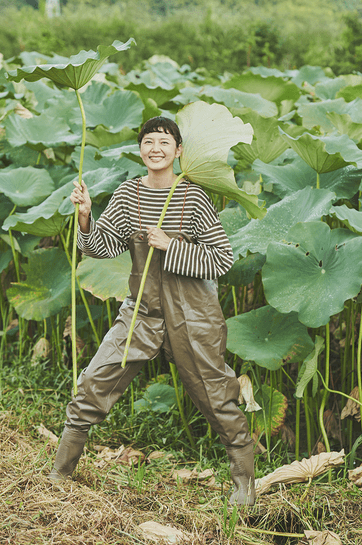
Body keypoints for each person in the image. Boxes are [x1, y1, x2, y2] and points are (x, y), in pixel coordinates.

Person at [48, 116, 255, 506]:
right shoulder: (128, 195)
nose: (155, 148)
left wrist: (170, 246)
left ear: (178, 151)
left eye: (163, 141)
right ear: (140, 150)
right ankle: (58, 476)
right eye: (148, 141)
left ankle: (245, 485)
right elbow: (101, 247)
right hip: (141, 309)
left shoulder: (193, 198)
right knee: (95, 380)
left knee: (215, 395)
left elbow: (222, 259)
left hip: (193, 313)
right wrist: (85, 217)